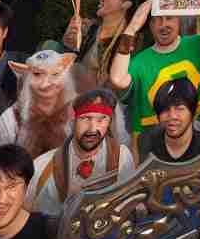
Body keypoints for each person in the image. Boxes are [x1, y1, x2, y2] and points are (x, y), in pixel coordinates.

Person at [110, 3, 200, 132]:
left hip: (197, 140)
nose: (163, 25)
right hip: (152, 145)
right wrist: (132, 27)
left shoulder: (199, 44)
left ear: (179, 21)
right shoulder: (140, 62)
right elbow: (117, 80)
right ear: (150, 26)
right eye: (156, 19)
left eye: (169, 18)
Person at [28, 90, 137, 218]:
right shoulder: (43, 166)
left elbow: (128, 207)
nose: (92, 129)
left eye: (102, 119)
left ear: (109, 123)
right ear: (73, 121)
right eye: (85, 118)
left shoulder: (122, 158)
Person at [0, 49, 78, 158]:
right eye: (37, 74)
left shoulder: (78, 114)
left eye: (55, 74)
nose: (45, 84)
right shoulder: (10, 118)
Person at [135, 77, 200, 167]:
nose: (172, 116)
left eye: (180, 109)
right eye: (165, 110)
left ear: (193, 113)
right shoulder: (146, 140)